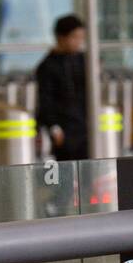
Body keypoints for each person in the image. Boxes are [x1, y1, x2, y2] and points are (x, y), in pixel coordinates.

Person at [35, 14, 89, 161]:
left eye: (81, 37)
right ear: (61, 38)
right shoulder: (48, 66)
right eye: (75, 37)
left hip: (86, 128)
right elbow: (45, 100)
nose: (79, 42)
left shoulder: (84, 61)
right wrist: (54, 127)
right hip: (65, 131)